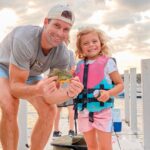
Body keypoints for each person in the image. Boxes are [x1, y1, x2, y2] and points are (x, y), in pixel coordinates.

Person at [0, 4, 83, 150]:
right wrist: (39, 89)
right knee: (10, 106)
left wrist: (69, 93)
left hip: (32, 74)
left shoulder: (63, 55)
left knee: (50, 110)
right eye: (56, 25)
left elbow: (51, 97)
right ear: (45, 22)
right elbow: (15, 88)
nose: (60, 33)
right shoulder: (24, 39)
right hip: (4, 68)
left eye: (65, 29)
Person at [74, 27, 124, 150]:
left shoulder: (108, 63)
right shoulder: (79, 66)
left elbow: (120, 85)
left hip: (103, 111)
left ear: (101, 44)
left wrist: (109, 93)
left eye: (94, 41)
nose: (91, 45)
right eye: (85, 43)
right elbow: (74, 85)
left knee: (105, 147)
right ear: (81, 48)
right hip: (84, 111)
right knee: (91, 146)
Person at [53, 40, 76, 139]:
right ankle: (71, 130)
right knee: (70, 108)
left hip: (57, 84)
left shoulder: (53, 53)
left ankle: (56, 131)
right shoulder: (70, 53)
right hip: (67, 84)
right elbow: (73, 69)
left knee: (58, 110)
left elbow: (52, 71)